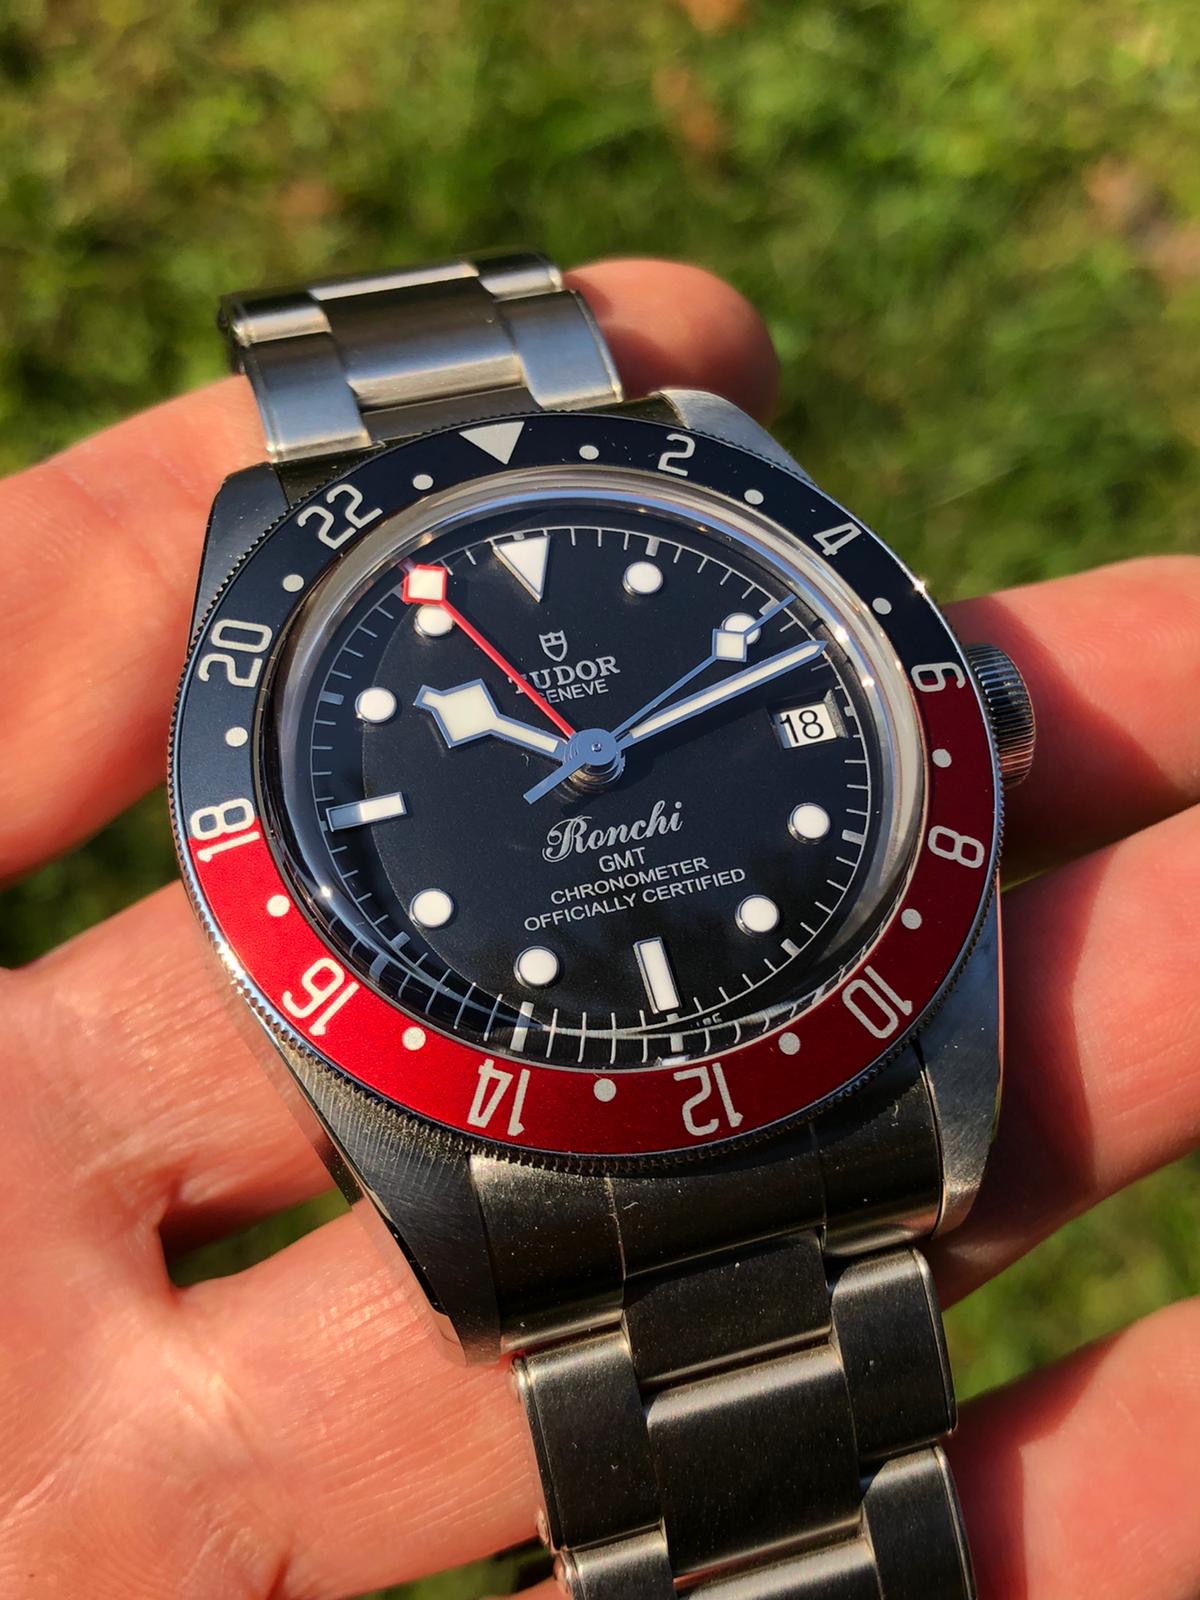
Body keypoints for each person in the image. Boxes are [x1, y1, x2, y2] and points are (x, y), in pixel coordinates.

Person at [1, 258, 1197, 1600]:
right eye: (573, 750)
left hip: (838, 1074)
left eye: (599, 745)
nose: (592, 754)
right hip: (546, 1171)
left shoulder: (707, 495)